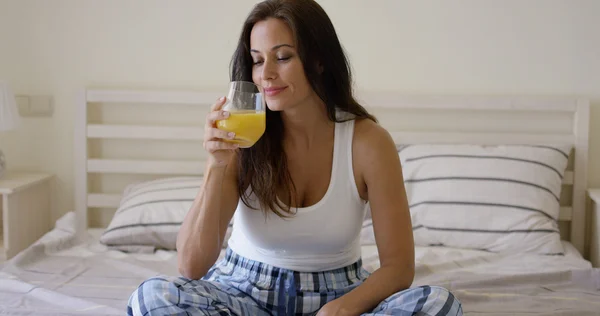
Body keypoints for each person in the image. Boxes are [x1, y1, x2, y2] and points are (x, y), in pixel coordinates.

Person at [127, 0, 462, 315]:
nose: (266, 74)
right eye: (258, 60)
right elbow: (191, 267)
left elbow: (399, 268)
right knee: (153, 297)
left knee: (439, 304)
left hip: (339, 292)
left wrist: (343, 308)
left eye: (283, 57)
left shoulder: (368, 143)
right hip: (242, 292)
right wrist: (216, 165)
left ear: (318, 60)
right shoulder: (241, 135)